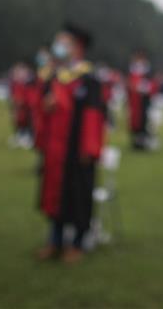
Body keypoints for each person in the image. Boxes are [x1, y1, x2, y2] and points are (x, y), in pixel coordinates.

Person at [36, 23, 107, 263]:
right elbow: (43, 108)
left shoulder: (89, 79)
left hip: (78, 150)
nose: (58, 46)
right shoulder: (55, 76)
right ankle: (55, 241)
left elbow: (94, 116)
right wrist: (46, 107)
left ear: (77, 47)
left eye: (64, 42)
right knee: (56, 194)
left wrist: (89, 148)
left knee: (78, 196)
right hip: (57, 149)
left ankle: (77, 243)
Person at [126, 49, 157, 150]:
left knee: (143, 120)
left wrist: (143, 88)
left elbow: (152, 84)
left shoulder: (147, 71)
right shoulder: (132, 70)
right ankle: (136, 141)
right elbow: (129, 84)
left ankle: (142, 141)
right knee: (135, 120)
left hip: (144, 99)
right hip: (134, 100)